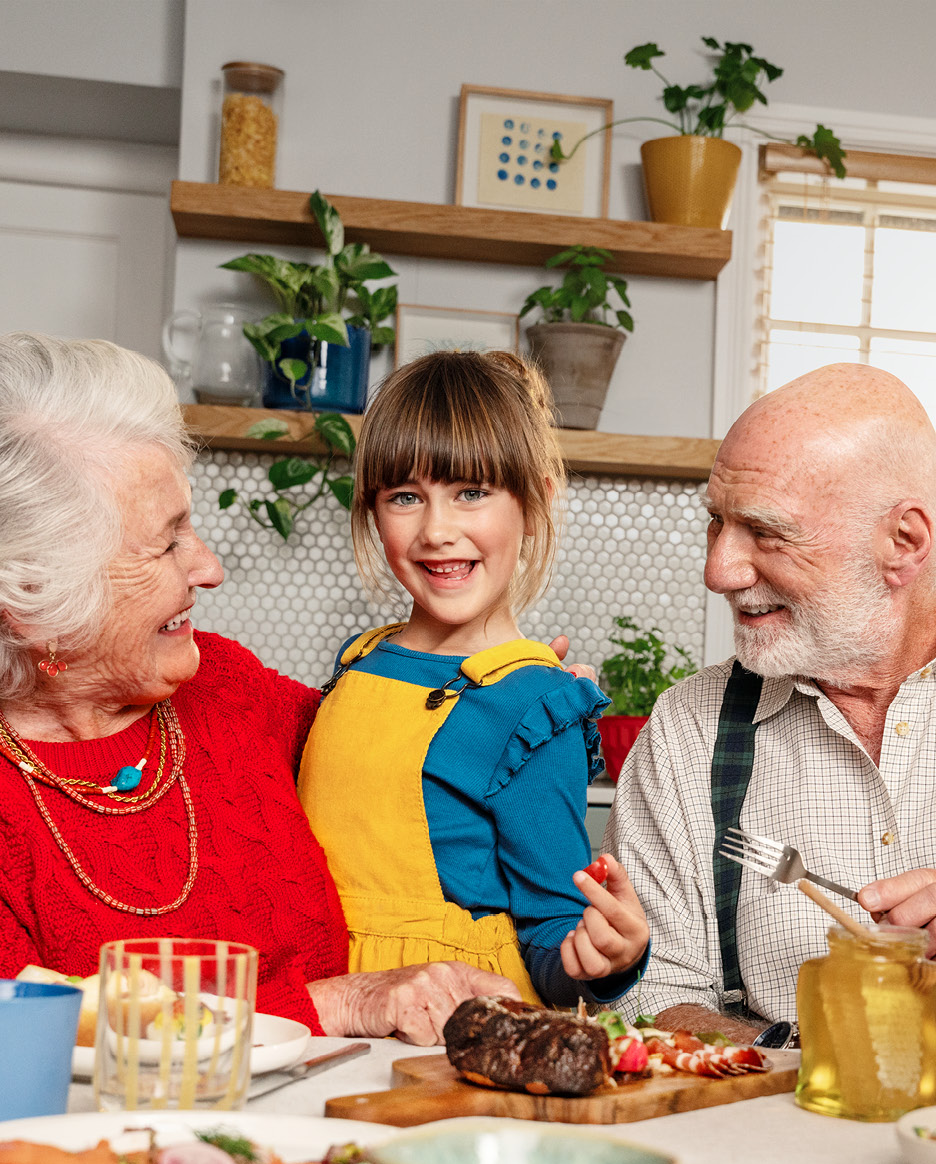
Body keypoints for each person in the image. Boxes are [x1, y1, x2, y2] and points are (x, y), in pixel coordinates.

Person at [0, 330, 531, 1045]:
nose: (209, 567)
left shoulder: (222, 683)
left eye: (192, 527)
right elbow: (30, 1051)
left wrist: (512, 697)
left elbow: (396, 760)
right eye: (167, 543)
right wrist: (338, 1005)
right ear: (35, 606)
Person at [297, 350, 650, 1008]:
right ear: (372, 510)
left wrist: (598, 958)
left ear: (534, 499)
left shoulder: (532, 705)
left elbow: (550, 930)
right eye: (405, 496)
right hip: (332, 1002)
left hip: (455, 1028)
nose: (437, 530)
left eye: (471, 492)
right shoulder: (358, 663)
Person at [601, 361, 936, 1042]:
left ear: (903, 543)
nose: (718, 570)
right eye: (717, 522)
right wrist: (797, 1055)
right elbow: (651, 990)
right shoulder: (690, 729)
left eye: (766, 530)